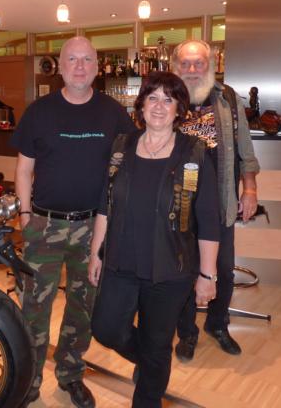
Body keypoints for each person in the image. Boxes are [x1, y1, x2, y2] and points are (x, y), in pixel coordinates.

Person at [11, 36, 134, 408]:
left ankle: (70, 374)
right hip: (43, 226)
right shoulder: (39, 112)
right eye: (72, 59)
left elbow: (130, 168)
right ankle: (28, 381)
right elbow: (23, 170)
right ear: (60, 67)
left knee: (84, 307)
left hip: (93, 230)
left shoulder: (114, 114)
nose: (80, 66)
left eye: (87, 60)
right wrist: (25, 216)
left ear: (97, 67)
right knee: (34, 310)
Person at [88, 71, 220, 407]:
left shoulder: (195, 153)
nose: (159, 106)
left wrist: (207, 275)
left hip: (170, 269)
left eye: (168, 99)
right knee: (106, 329)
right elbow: (105, 205)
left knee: (158, 342)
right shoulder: (122, 146)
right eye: (152, 97)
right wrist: (95, 253)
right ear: (141, 105)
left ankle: (148, 390)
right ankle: (150, 364)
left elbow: (208, 220)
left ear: (179, 109)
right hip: (120, 261)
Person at [171, 40, 260, 360]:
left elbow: (245, 147)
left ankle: (218, 324)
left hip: (220, 200)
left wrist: (249, 189)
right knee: (182, 272)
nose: (192, 70)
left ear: (211, 65)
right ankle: (186, 332)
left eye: (199, 63)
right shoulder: (166, 98)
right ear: (175, 66)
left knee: (223, 270)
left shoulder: (228, 98)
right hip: (178, 204)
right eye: (185, 64)